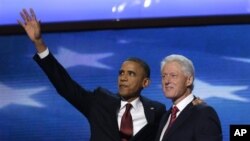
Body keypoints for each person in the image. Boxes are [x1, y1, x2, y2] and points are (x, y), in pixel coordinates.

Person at [18, 8, 166, 141]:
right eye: (121, 73)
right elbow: (65, 86)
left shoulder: (156, 110)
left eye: (131, 74)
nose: (123, 77)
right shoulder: (100, 101)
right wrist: (39, 43)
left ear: (145, 83)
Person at [155, 54, 222, 141]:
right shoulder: (166, 116)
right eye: (164, 76)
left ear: (189, 80)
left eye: (173, 75)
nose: (166, 81)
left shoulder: (204, 114)